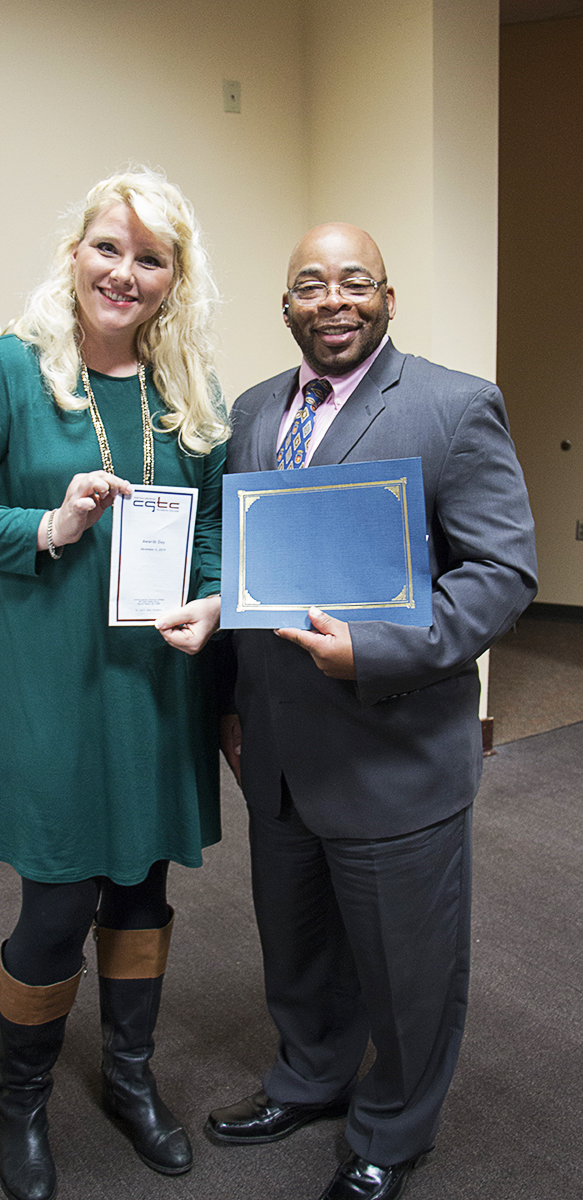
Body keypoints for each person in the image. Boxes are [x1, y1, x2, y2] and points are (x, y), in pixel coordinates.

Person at [0, 168, 228, 1200]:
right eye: (107, 248)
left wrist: (214, 601)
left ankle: (129, 1084)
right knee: (56, 904)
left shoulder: (188, 393)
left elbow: (215, 528)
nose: (123, 273)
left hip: (152, 688)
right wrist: (47, 524)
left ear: (174, 278)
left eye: (149, 257)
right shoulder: (8, 371)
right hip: (45, 686)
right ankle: (24, 1103)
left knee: (140, 891)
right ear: (73, 253)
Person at [206, 223, 537, 1200]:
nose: (333, 299)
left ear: (389, 299)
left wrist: (378, 651)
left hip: (391, 744)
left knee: (406, 962)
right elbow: (242, 568)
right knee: (296, 943)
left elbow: (503, 573)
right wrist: (226, 703)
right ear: (286, 306)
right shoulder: (254, 412)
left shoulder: (451, 406)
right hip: (273, 747)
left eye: (356, 281)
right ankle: (309, 1076)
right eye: (311, 284)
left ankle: (394, 1128)